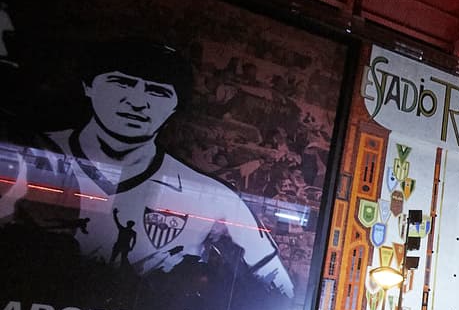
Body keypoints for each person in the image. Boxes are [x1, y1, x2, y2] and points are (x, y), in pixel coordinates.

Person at [0, 40, 294, 295]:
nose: (137, 101)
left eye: (157, 92)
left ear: (176, 106)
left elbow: (280, 291)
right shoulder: (23, 161)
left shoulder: (215, 197)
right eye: (121, 83)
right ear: (89, 86)